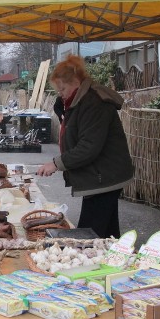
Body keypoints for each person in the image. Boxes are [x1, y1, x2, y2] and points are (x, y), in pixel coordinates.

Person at [35, 54, 134, 239]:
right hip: (101, 176)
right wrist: (63, 108)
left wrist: (56, 164)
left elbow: (88, 147)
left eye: (62, 88)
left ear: (75, 82)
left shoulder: (94, 102)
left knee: (88, 236)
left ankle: (94, 263)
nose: (60, 93)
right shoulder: (78, 100)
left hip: (104, 177)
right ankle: (114, 260)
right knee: (107, 234)